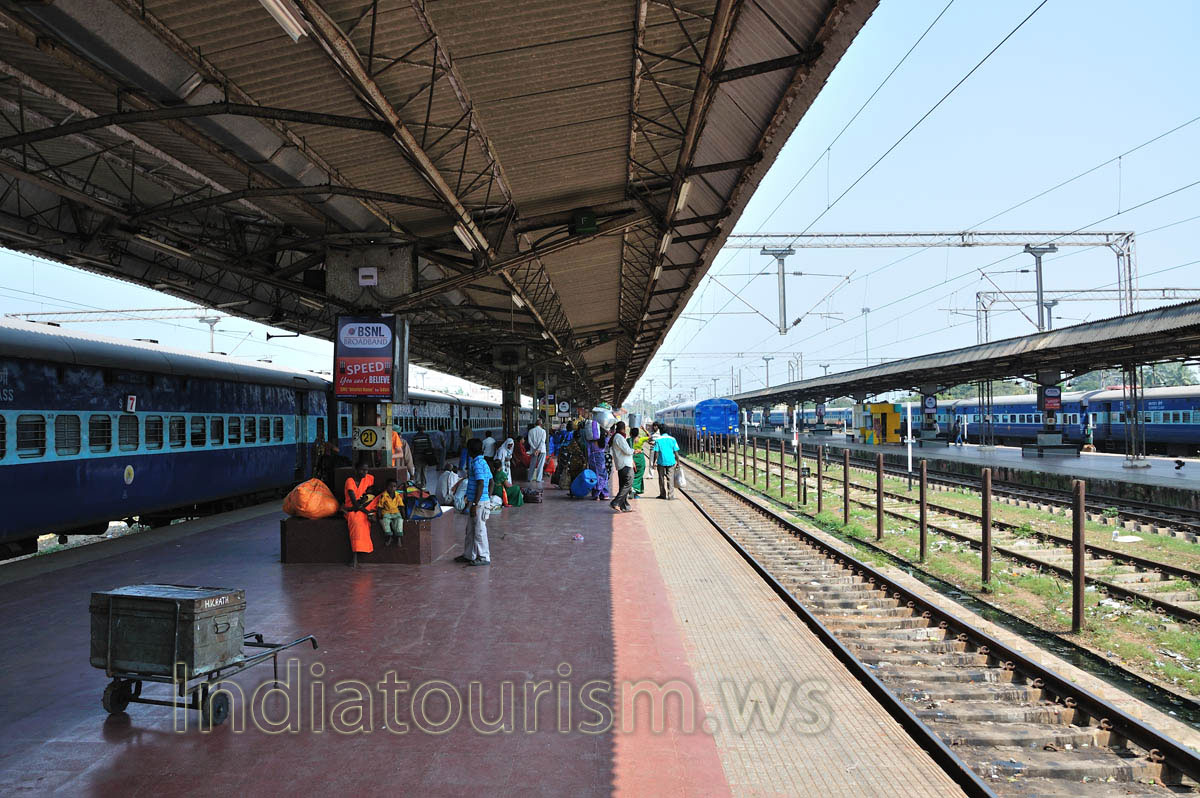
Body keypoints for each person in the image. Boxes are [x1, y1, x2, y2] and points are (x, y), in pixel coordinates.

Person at [455, 438, 492, 567]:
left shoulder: (477, 464)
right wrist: (489, 497)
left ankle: (483, 556)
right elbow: (491, 481)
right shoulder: (483, 462)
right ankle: (469, 554)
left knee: (479, 530)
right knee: (470, 529)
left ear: (470, 450)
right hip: (478, 501)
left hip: (479, 503)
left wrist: (476, 504)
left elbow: (481, 483)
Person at [343, 460, 377, 566]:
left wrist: (367, 497)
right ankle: (354, 556)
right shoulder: (350, 481)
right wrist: (368, 513)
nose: (365, 472)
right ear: (356, 470)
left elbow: (373, 491)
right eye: (362, 470)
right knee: (356, 521)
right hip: (353, 508)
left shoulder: (368, 479)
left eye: (366, 470)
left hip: (362, 506)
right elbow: (354, 503)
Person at [608, 421, 634, 512]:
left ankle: (624, 506)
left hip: (621, 465)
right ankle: (615, 502)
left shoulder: (617, 437)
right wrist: (634, 450)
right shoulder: (619, 437)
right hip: (625, 465)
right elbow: (627, 451)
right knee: (628, 483)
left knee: (623, 485)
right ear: (623, 428)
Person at [653, 423, 680, 500]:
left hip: (661, 461)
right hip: (671, 461)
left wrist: (654, 462)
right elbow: (676, 452)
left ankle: (662, 494)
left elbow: (656, 452)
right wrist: (678, 462)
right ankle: (671, 495)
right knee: (670, 478)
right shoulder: (673, 439)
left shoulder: (658, 440)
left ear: (660, 431)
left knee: (661, 478)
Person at [375, 479, 404, 546]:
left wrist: (403, 515)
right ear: (387, 487)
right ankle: (389, 537)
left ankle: (399, 538)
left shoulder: (397, 495)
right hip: (386, 513)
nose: (392, 488)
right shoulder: (384, 495)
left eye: (394, 486)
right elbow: (380, 507)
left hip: (396, 512)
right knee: (385, 523)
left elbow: (401, 506)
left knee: (399, 521)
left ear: (396, 487)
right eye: (390, 486)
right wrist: (379, 515)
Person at [631, 426, 650, 498]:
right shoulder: (641, 439)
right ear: (638, 433)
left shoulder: (629, 440)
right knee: (639, 474)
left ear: (630, 433)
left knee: (633, 474)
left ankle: (634, 491)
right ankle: (634, 489)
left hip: (632, 458)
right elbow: (649, 437)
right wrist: (644, 430)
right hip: (640, 458)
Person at [527, 418, 548, 484]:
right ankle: (539, 479)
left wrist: (535, 449)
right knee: (540, 465)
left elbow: (529, 441)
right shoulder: (543, 431)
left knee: (532, 464)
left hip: (533, 450)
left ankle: (529, 478)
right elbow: (542, 441)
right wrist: (538, 450)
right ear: (541, 424)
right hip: (541, 450)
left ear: (535, 424)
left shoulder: (530, 431)